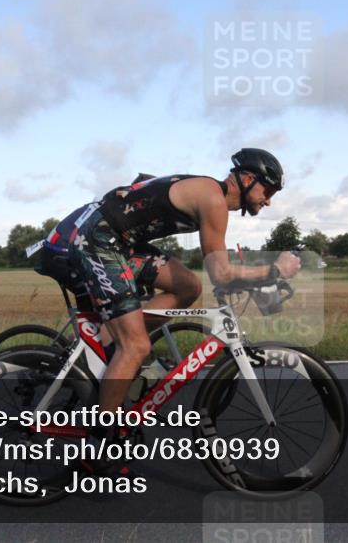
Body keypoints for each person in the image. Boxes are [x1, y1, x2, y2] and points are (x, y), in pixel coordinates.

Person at [35, 148, 301, 467]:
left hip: (120, 242)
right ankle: (101, 444)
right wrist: (274, 271)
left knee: (189, 286)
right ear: (246, 179)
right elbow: (222, 273)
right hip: (98, 242)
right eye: (267, 190)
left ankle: (113, 340)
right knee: (136, 345)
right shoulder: (213, 200)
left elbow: (143, 187)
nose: (268, 200)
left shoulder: (206, 191)